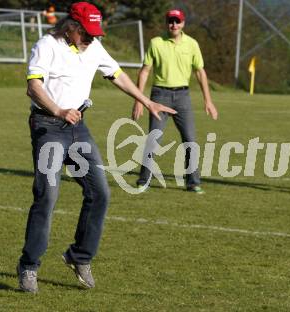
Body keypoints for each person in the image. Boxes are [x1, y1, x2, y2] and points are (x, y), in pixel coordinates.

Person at [17, 2, 175, 293]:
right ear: (71, 26)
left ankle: (79, 256)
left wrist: (146, 100)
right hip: (48, 127)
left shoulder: (94, 47)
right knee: (47, 197)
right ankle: (29, 266)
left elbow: (117, 75)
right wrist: (58, 110)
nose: (91, 38)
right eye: (86, 33)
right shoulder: (47, 45)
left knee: (99, 192)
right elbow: (33, 86)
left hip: (78, 129)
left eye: (94, 33)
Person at [132, 9, 218, 194]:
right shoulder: (156, 43)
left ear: (183, 23)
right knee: (153, 140)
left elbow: (200, 72)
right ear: (166, 23)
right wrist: (139, 100)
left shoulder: (192, 44)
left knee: (190, 140)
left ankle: (193, 182)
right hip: (159, 95)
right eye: (171, 21)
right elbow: (145, 71)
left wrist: (208, 101)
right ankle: (143, 180)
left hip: (183, 97)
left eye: (177, 21)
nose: (174, 25)